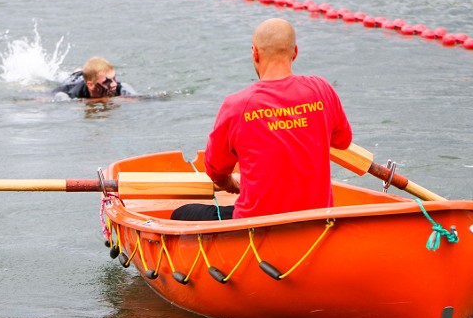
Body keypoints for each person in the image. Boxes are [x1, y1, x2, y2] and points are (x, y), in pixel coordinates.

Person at [172, 18, 352, 221]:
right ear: (294, 52)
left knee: (182, 213)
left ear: (255, 53)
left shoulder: (237, 105)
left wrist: (232, 185)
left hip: (256, 227)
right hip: (318, 223)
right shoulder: (322, 90)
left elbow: (215, 172)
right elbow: (342, 141)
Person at [53, 56, 137, 100]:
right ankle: (78, 72)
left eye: (114, 78)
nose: (114, 84)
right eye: (107, 82)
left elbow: (141, 99)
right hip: (75, 80)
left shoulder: (122, 88)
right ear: (90, 85)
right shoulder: (73, 93)